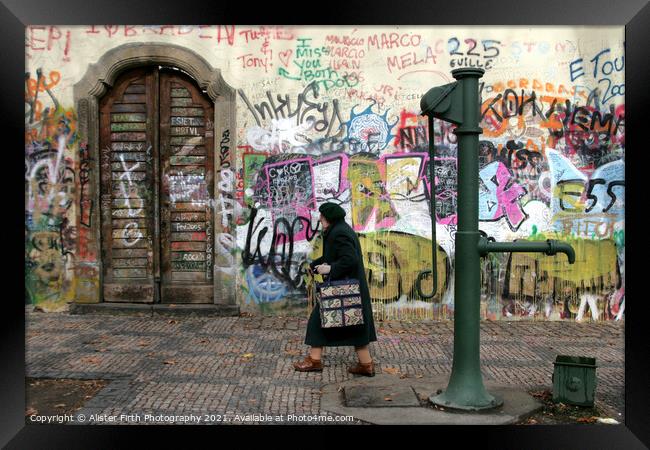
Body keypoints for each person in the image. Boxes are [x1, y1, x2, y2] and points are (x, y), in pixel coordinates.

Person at [293, 202, 378, 376]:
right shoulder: (339, 230)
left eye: (322, 216)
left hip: (342, 289)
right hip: (350, 290)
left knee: (317, 321)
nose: (320, 218)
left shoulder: (339, 233)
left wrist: (330, 269)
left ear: (328, 218)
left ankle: (314, 361)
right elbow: (333, 255)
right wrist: (316, 264)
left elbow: (349, 259)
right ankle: (366, 364)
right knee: (356, 326)